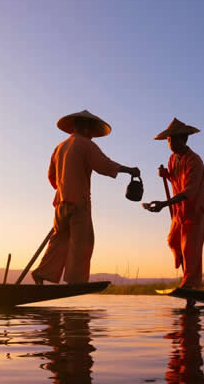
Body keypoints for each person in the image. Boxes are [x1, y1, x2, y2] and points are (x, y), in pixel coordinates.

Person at [32, 110, 140, 285]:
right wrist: (129, 170)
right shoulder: (85, 145)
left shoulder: (60, 147)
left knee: (59, 240)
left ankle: (42, 273)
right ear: (85, 127)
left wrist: (63, 188)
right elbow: (104, 165)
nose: (92, 134)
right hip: (78, 202)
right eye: (91, 129)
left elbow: (51, 176)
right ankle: (76, 280)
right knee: (82, 241)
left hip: (61, 202)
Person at [143, 118, 204, 289]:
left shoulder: (195, 161)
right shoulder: (172, 159)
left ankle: (190, 284)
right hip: (178, 210)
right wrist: (166, 174)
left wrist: (164, 204)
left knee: (190, 249)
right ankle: (182, 262)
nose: (169, 143)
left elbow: (188, 191)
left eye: (173, 139)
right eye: (168, 140)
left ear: (184, 139)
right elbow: (176, 178)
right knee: (172, 241)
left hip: (193, 211)